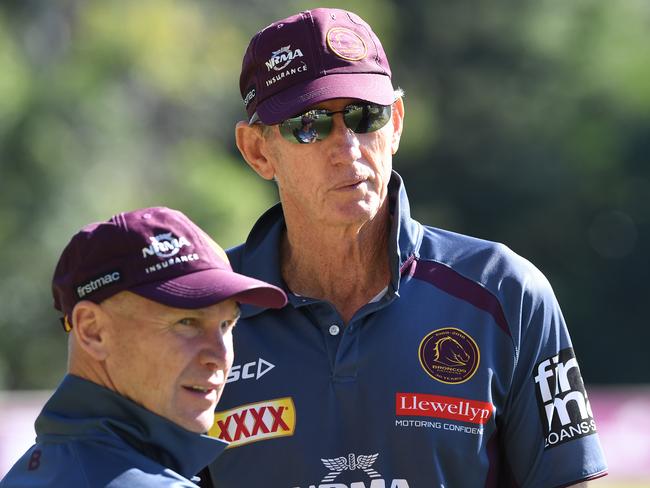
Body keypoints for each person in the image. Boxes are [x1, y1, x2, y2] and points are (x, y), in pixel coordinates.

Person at [203, 7, 608, 488]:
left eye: (363, 115)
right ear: (257, 151)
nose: (347, 148)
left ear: (394, 122)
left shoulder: (506, 293)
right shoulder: (200, 313)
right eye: (308, 125)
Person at [0, 206, 287, 488]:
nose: (220, 356)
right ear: (93, 330)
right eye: (187, 322)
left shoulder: (35, 471)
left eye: (227, 325)